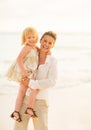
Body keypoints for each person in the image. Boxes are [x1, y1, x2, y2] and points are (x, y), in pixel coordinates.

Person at [13, 31, 58, 130]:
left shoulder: (53, 60)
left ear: (53, 45)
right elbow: (20, 63)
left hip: (41, 102)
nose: (46, 44)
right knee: (18, 128)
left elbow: (52, 81)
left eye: (50, 43)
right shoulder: (32, 52)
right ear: (40, 40)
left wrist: (31, 83)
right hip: (25, 99)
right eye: (45, 41)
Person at [6, 27, 39, 122]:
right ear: (25, 39)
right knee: (33, 89)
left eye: (33, 37)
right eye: (29, 37)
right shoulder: (26, 47)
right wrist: (24, 72)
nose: (31, 39)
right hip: (26, 73)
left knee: (22, 92)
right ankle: (29, 109)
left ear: (36, 37)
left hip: (29, 72)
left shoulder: (34, 47)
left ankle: (16, 112)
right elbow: (18, 59)